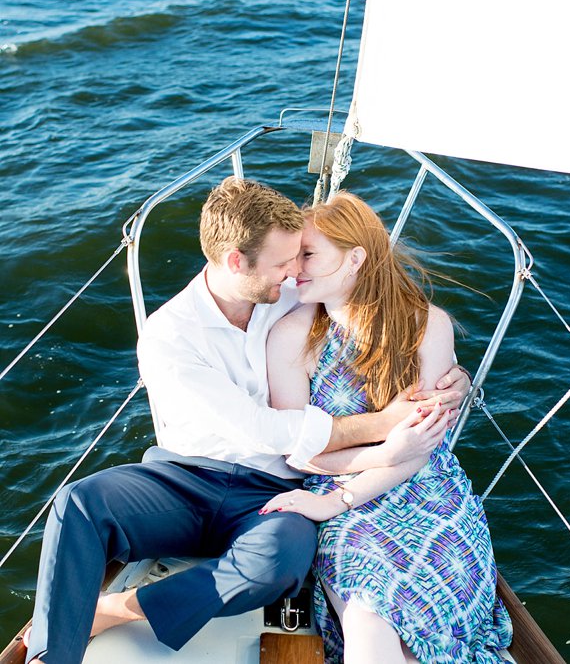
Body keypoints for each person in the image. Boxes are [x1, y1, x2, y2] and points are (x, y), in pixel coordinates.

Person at [25, 178, 470, 664]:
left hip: (270, 488)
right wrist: (386, 427)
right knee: (78, 503)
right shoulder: (170, 337)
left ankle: (119, 609)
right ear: (237, 261)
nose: (293, 273)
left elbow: (369, 306)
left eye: (299, 258)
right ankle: (50, 656)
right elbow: (266, 429)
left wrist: (456, 377)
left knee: (278, 563)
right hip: (181, 481)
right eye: (282, 263)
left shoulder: (289, 293)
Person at [261, 191, 513, 664]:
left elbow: (421, 448)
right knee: (367, 616)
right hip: (343, 497)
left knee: (430, 621)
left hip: (429, 490)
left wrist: (336, 500)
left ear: (355, 257)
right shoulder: (291, 337)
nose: (296, 267)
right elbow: (302, 451)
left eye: (309, 254)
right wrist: (336, 500)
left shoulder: (426, 326)